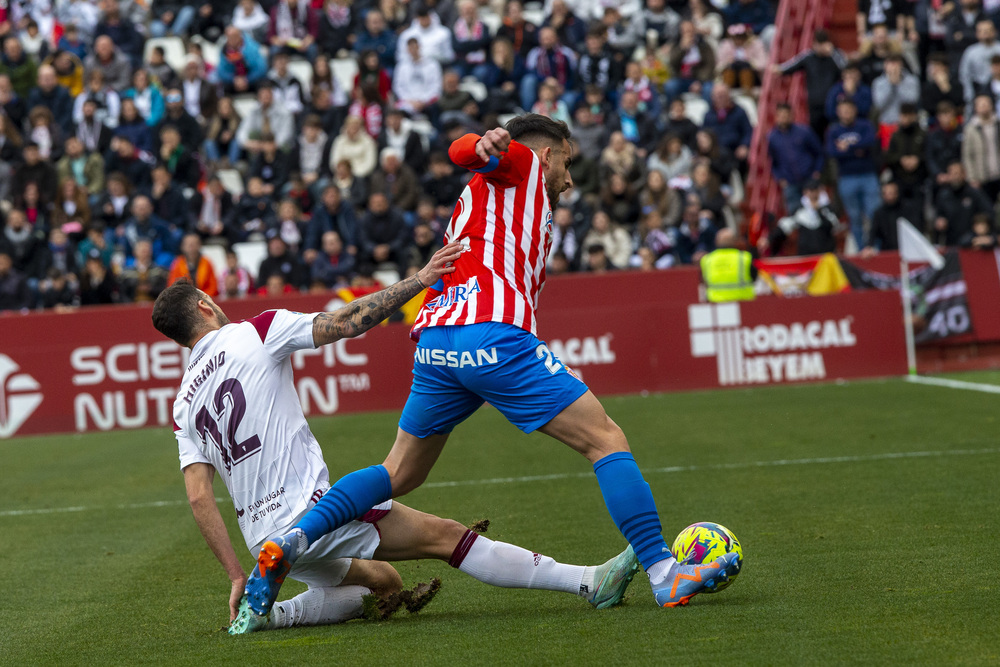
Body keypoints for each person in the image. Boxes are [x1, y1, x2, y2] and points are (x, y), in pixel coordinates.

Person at [241, 114, 742, 619]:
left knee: (398, 471)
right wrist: (484, 142)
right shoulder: (521, 165)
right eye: (567, 161)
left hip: (437, 343)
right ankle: (663, 573)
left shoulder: (494, 198)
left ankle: (293, 537)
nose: (569, 178)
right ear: (547, 154)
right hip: (492, 334)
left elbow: (473, 168)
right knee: (605, 439)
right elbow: (464, 151)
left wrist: (481, 151)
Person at [152, 269, 638, 634]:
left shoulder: (183, 403)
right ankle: (588, 582)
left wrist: (237, 573)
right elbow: (344, 322)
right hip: (308, 513)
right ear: (202, 305)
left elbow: (199, 498)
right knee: (446, 537)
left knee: (383, 584)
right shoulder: (253, 331)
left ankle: (268, 606)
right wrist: (421, 280)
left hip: (261, 540)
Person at [767, 103, 824, 214]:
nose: (784, 118)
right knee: (796, 214)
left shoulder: (804, 132)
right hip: (790, 182)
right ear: (776, 117)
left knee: (817, 211)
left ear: (792, 115)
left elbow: (819, 152)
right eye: (781, 115)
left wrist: (817, 171)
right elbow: (773, 161)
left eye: (786, 115)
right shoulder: (772, 137)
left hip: (809, 179)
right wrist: (780, 178)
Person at [700, 228, 755, 302]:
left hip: (716, 303)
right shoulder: (745, 257)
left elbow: (704, 282)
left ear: (716, 242)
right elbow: (754, 278)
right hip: (742, 303)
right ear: (735, 241)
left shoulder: (707, 259)